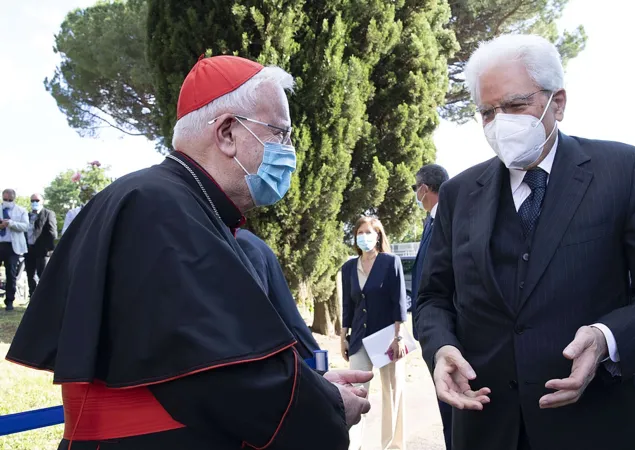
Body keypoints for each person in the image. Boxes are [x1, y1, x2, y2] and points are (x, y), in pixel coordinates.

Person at [7, 55, 373, 450]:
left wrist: (314, 387)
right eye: (279, 134)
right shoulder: (163, 209)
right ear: (228, 133)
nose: (289, 150)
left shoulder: (162, 199)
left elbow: (215, 361)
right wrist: (328, 407)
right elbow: (228, 379)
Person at [415, 34, 635, 450]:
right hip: (485, 428)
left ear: (558, 102)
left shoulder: (623, 172)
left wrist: (606, 337)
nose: (501, 122)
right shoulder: (460, 194)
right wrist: (440, 346)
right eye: (487, 112)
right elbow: (432, 298)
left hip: (595, 427)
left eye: (516, 105)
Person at [340, 216, 408, 450]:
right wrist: (343, 337)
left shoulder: (390, 262)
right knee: (355, 397)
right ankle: (353, 445)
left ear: (378, 235)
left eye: (369, 232)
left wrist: (398, 337)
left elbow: (399, 302)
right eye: (360, 232)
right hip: (358, 339)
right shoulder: (349, 267)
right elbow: (347, 306)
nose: (364, 237)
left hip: (388, 339)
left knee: (392, 393)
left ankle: (392, 446)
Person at [409, 164, 451, 449]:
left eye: (415, 188)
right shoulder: (429, 223)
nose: (415, 193)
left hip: (447, 332)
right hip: (428, 329)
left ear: (424, 188)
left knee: (452, 404)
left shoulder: (450, 220)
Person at [236, 228, 320, 360]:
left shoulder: (241, 243)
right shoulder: (246, 238)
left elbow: (255, 313)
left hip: (291, 355)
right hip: (293, 350)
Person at [0, 189, 29, 311]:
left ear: (14, 199)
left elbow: (25, 226)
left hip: (13, 247)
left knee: (11, 274)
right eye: (5, 199)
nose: (7, 202)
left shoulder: (21, 211)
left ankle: (10, 302)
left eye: (10, 200)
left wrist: (11, 224)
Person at [25, 194, 57, 298]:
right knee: (30, 275)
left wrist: (49, 248)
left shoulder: (48, 214)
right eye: (32, 200)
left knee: (43, 275)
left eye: (37, 200)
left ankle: (46, 297)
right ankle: (32, 296)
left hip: (42, 251)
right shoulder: (27, 215)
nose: (34, 202)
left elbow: (52, 233)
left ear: (42, 201)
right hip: (28, 249)